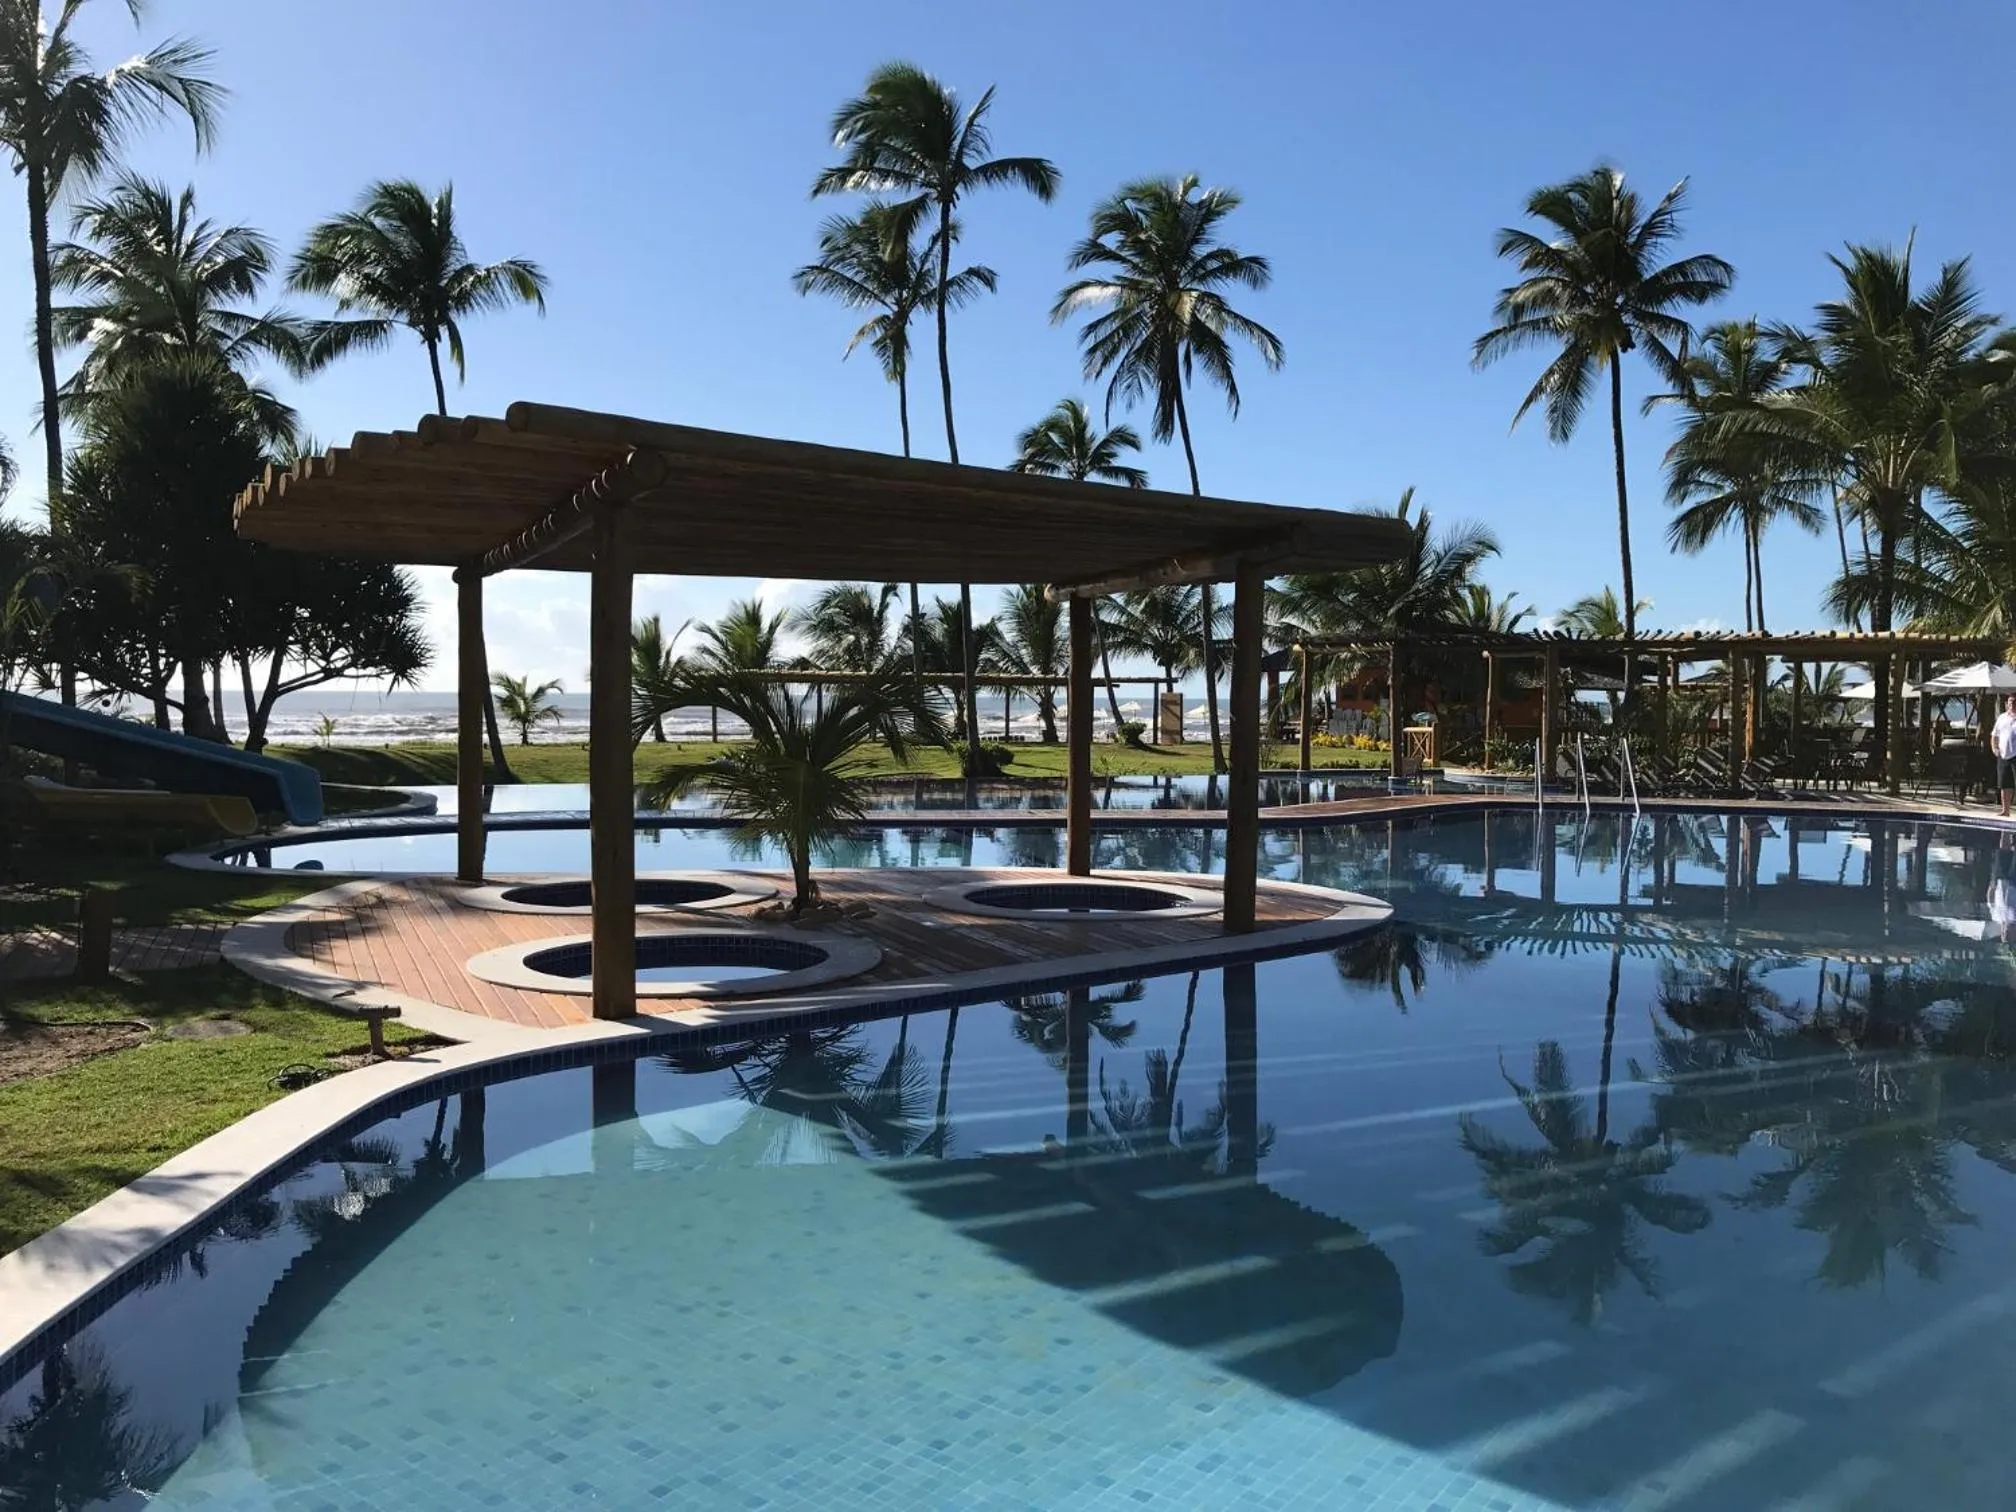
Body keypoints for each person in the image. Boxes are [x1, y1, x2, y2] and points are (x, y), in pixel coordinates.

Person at [1993, 694, 2016, 818]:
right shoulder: (2002, 717)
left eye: (2014, 702)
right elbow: (1994, 735)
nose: (2012, 704)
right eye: (2010, 702)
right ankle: (2005, 810)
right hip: (2003, 755)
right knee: (2005, 784)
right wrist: (1994, 748)